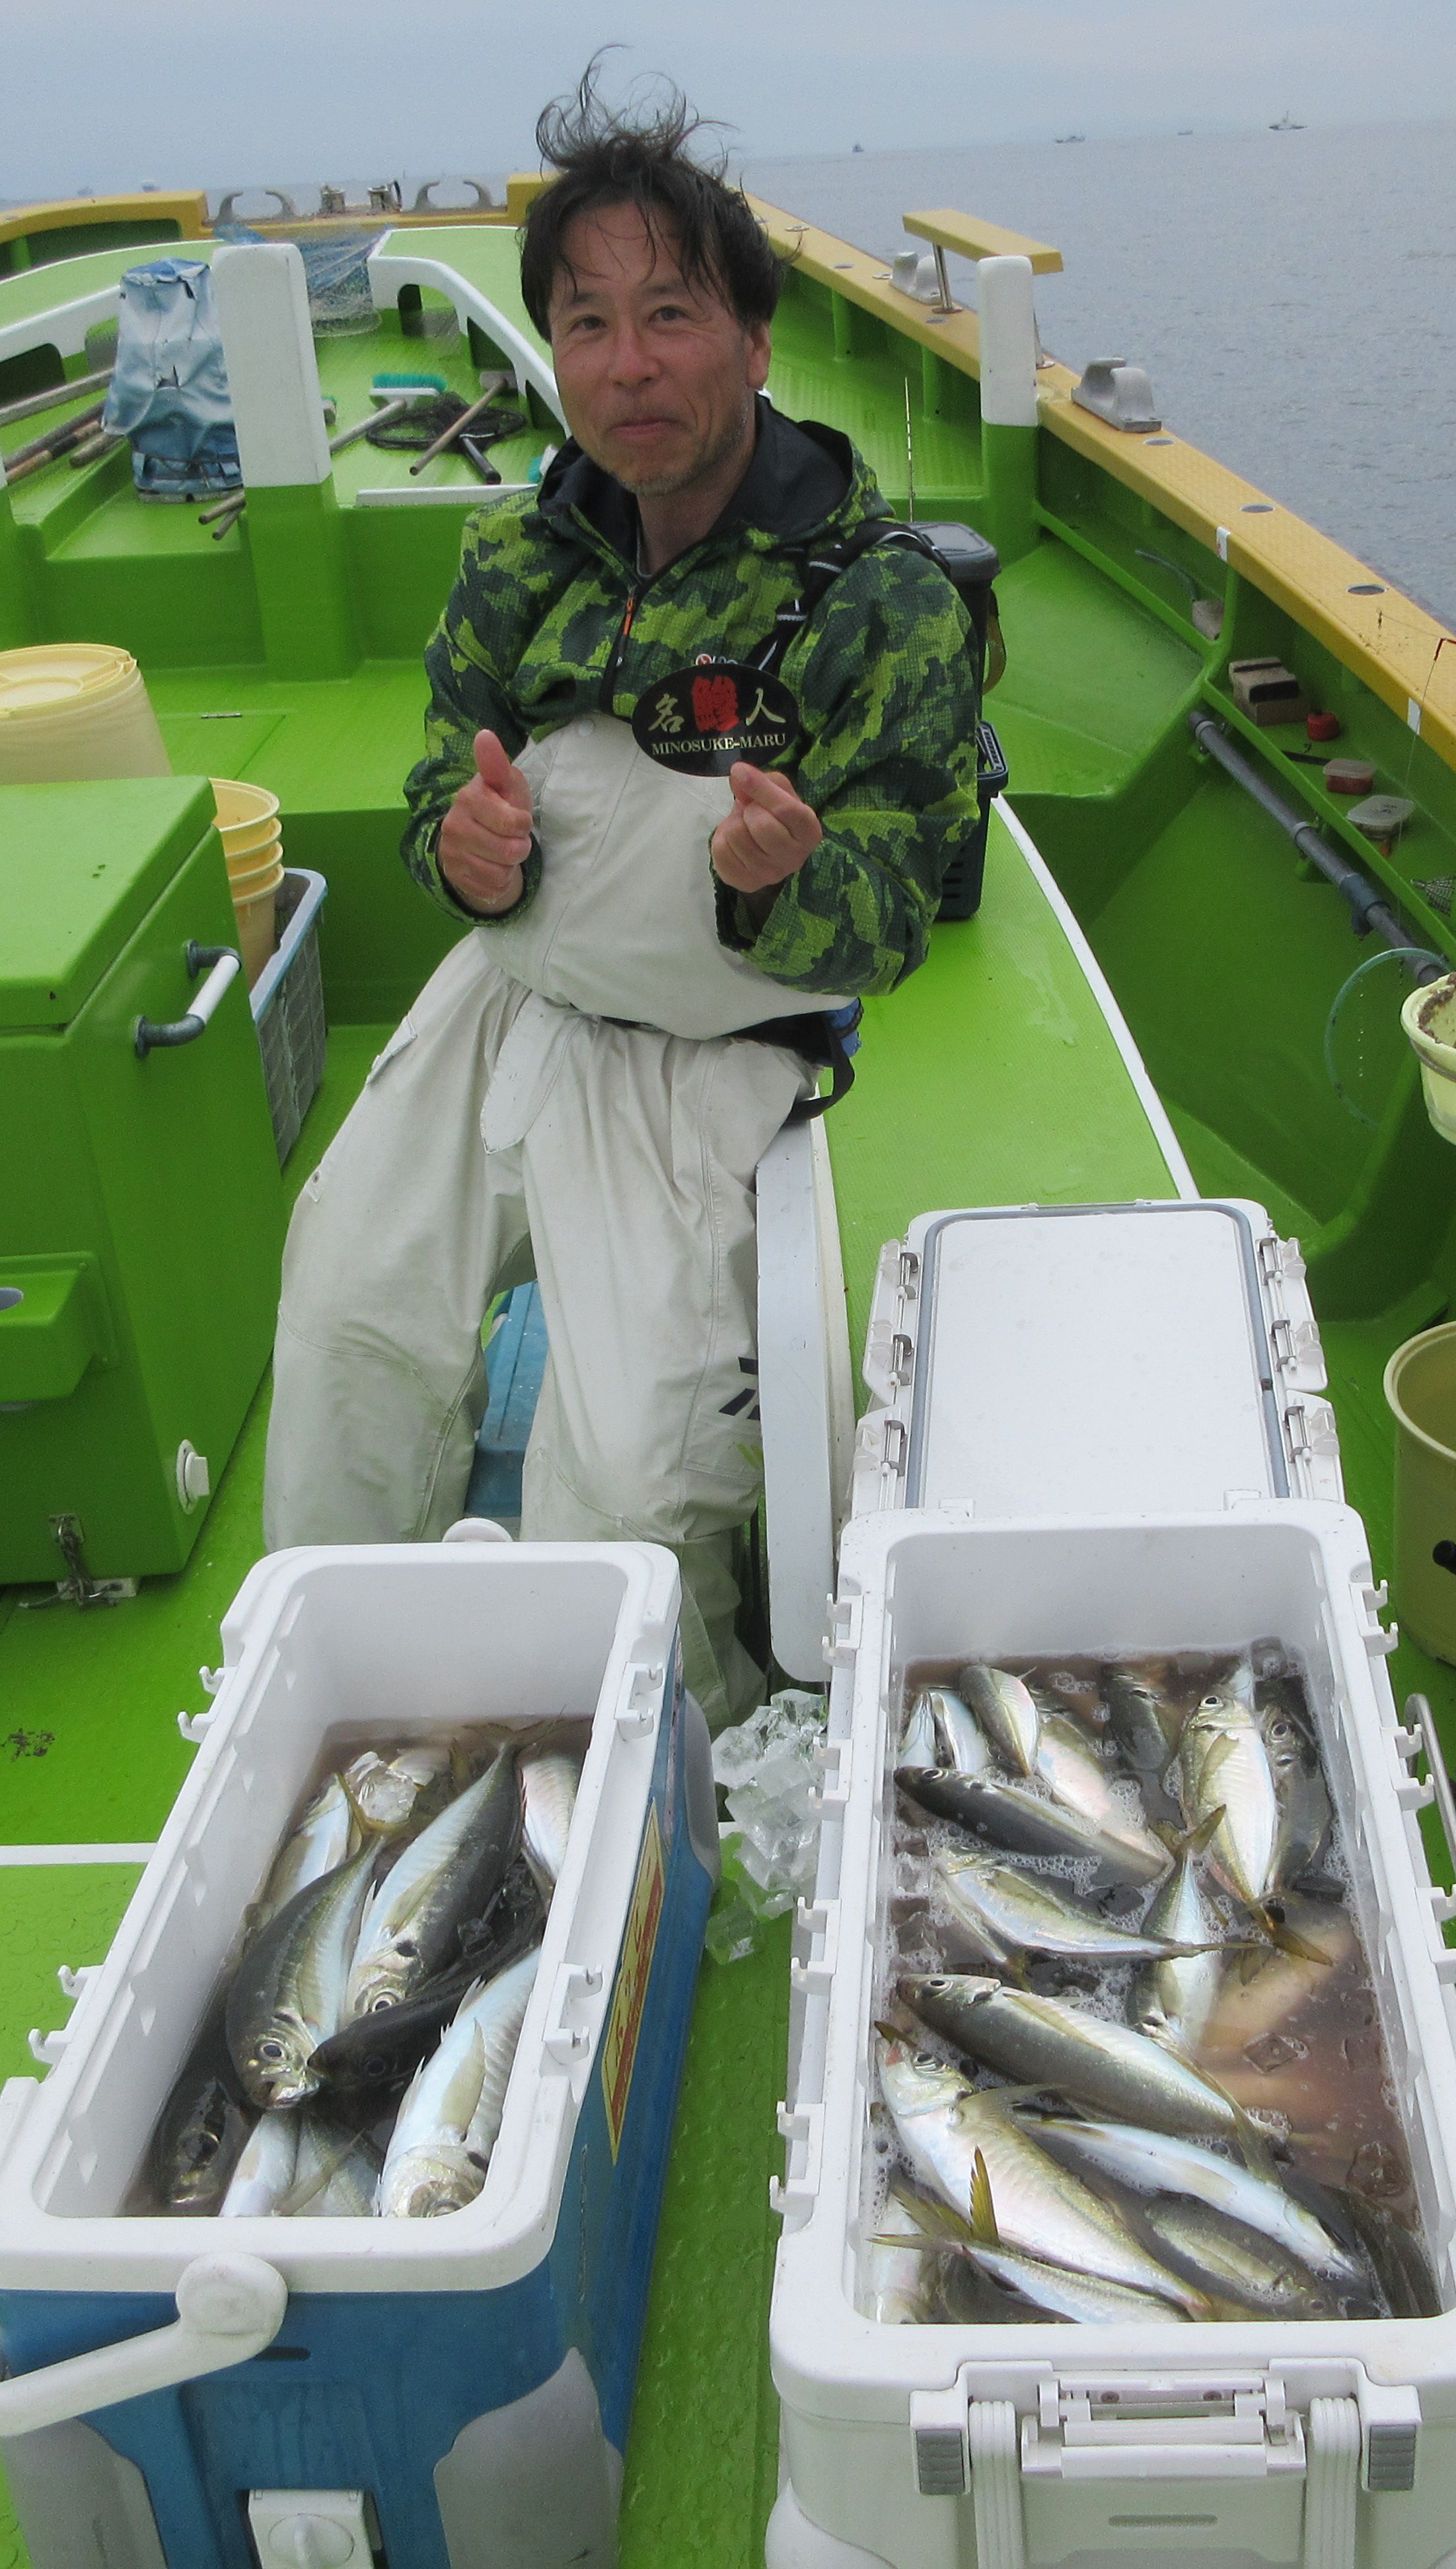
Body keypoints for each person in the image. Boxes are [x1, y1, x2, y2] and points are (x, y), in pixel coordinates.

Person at [264, 67, 983, 1721]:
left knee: (633, 1485)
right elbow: (439, 786)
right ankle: (349, 1706)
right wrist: (463, 848)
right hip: (500, 1012)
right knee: (344, 1325)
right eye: (587, 324)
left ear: (754, 341)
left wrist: (783, 884)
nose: (630, 364)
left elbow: (892, 915)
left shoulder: (876, 604)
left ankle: (673, 1761)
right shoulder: (515, 564)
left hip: (703, 1065)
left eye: (671, 314)